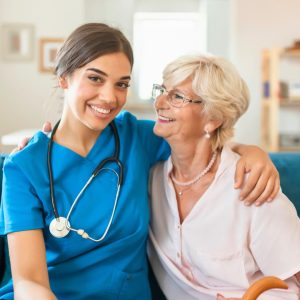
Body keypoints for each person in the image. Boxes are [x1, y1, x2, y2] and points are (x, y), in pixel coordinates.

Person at [0, 23, 279, 300]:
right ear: (64, 77)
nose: (110, 97)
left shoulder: (138, 138)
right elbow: (30, 283)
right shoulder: (23, 168)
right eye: (95, 78)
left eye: (121, 84)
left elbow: (202, 138)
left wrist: (253, 151)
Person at [148, 54, 300, 300]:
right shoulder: (152, 179)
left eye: (177, 96)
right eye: (162, 90)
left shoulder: (251, 185)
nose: (159, 102)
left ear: (213, 119)